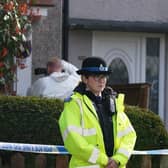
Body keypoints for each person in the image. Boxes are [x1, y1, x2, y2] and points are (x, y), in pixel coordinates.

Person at [59, 57, 137, 168]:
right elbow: (74, 142)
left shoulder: (113, 103)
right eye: (96, 76)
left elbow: (129, 135)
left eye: (104, 76)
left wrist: (118, 159)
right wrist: (105, 160)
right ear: (84, 79)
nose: (102, 80)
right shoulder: (74, 104)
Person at [28, 56, 80, 168]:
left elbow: (29, 97)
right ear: (62, 67)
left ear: (48, 68)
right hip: (69, 126)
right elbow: (78, 72)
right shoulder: (75, 81)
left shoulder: (42, 83)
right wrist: (63, 64)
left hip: (46, 125)